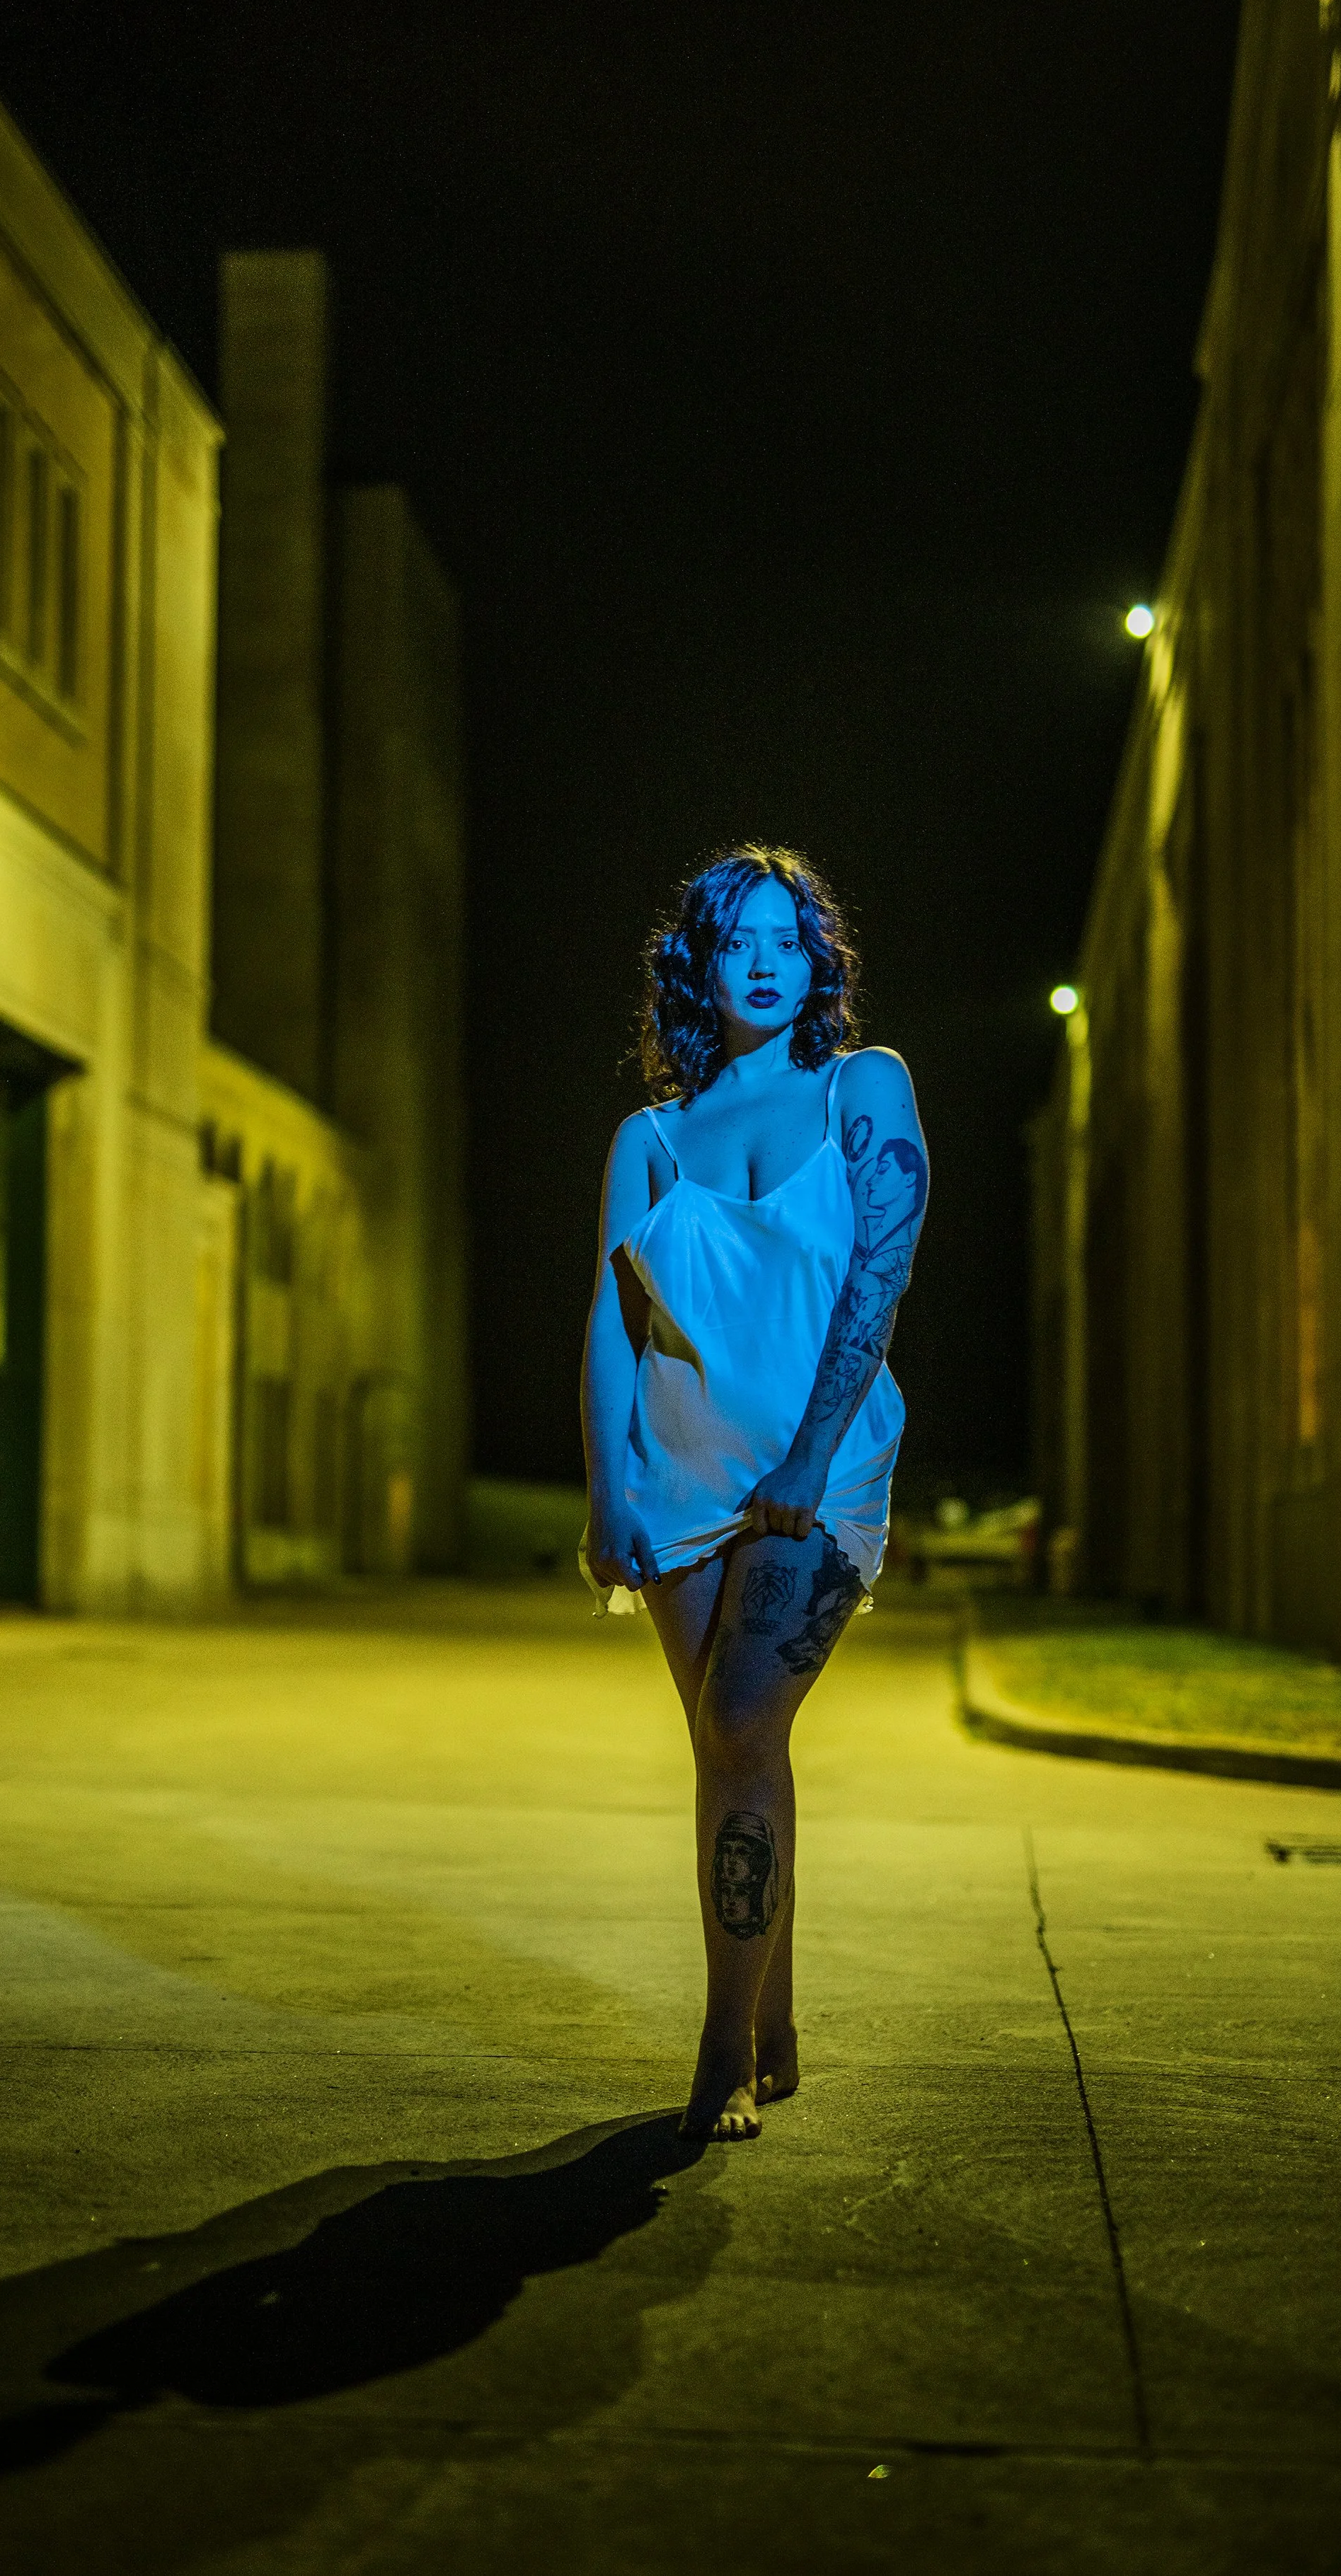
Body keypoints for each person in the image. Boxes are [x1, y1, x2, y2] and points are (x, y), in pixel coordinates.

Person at [581, 842, 928, 2142]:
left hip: (816, 1476)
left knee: (738, 1718)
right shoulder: (651, 1139)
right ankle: (772, 2015)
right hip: (677, 1480)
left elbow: (881, 1274)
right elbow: (613, 1323)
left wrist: (806, 1458)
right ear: (701, 966)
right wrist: (606, 1490)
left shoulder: (862, 1087)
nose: (768, 962)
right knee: (733, 1750)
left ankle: (721, 2046)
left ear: (818, 958)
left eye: (790, 938)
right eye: (740, 942)